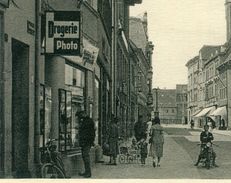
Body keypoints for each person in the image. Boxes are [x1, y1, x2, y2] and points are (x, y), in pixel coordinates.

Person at [77, 111, 95, 178]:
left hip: (86, 142)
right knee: (85, 157)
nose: (79, 118)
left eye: (80, 116)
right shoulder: (87, 121)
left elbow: (90, 133)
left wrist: (90, 141)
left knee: (85, 156)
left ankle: (88, 172)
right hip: (85, 142)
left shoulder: (87, 121)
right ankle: (86, 171)